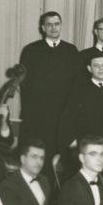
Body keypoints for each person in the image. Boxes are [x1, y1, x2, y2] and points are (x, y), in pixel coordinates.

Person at [18, 11, 79, 162]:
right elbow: (26, 89)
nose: (53, 28)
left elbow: (77, 86)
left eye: (56, 24)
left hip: (64, 119)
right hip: (40, 119)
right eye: (49, 25)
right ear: (43, 28)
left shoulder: (71, 51)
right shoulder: (31, 51)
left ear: (61, 26)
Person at [0, 138, 51, 205]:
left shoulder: (44, 181)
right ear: (23, 159)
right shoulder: (8, 186)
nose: (39, 162)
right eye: (34, 157)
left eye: (42, 158)